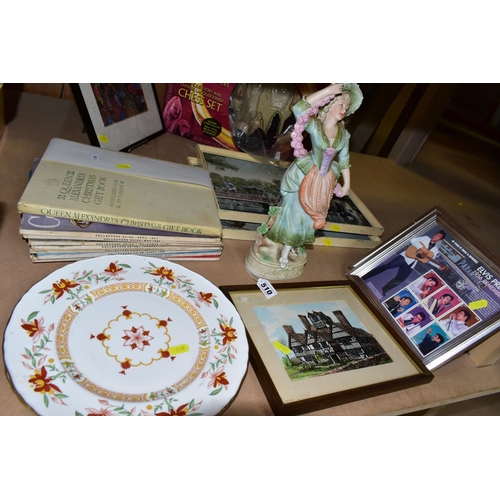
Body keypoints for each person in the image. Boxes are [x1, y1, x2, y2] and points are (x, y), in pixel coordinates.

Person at [258, 83, 363, 268]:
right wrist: (328, 91)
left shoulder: (344, 135)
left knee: (309, 216)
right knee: (294, 211)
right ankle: (279, 248)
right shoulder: (315, 126)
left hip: (324, 180)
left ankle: (289, 249)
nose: (344, 110)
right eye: (340, 105)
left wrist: (347, 183)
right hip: (306, 173)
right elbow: (298, 108)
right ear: (329, 106)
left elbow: (345, 160)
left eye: (346, 107)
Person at [363, 230, 447, 296]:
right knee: (387, 266)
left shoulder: (435, 250)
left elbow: (429, 259)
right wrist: (422, 248)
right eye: (436, 234)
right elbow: (413, 241)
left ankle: (385, 289)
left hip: (412, 263)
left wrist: (438, 266)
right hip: (405, 256)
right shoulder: (425, 238)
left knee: (401, 279)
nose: (436, 236)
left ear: (440, 239)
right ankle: (366, 276)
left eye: (438, 236)